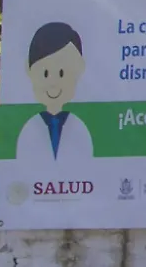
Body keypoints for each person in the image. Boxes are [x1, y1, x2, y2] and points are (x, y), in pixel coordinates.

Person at [17, 22, 94, 165]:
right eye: (45, 74)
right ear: (29, 70)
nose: (53, 83)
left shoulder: (80, 127)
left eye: (62, 74)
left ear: (80, 69)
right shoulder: (29, 129)